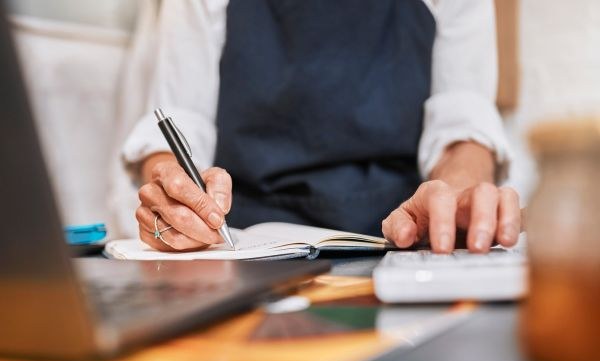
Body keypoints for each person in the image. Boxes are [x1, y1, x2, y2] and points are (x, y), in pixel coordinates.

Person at [123, 0, 520, 254]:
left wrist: (452, 195)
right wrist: (174, 192)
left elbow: (463, 121)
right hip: (244, 243)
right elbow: (181, 116)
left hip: (399, 238)